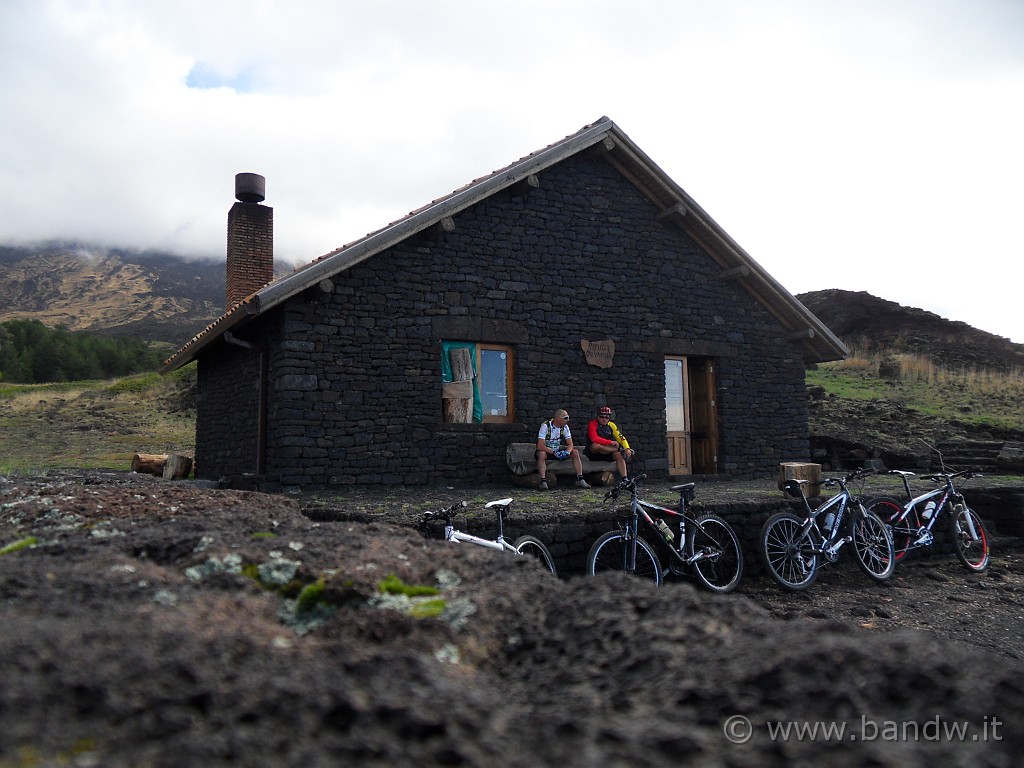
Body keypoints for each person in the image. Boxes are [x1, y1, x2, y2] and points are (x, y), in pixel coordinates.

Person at [536, 409, 590, 490]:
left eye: (568, 418)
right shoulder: (545, 426)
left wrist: (567, 452)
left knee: (575, 452)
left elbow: (570, 444)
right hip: (548, 451)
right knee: (541, 454)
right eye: (565, 418)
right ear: (558, 418)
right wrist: (553, 452)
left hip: (557, 450)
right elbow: (540, 445)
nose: (567, 420)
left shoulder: (565, 427)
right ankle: (543, 481)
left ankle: (580, 478)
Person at [585, 406, 635, 479]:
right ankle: (619, 450)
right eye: (602, 417)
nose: (604, 419)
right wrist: (610, 442)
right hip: (594, 454)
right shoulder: (592, 424)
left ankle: (625, 478)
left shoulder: (612, 425)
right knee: (596, 446)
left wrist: (627, 448)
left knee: (618, 455)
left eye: (607, 417)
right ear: (598, 417)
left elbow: (620, 437)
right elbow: (594, 438)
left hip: (608, 452)